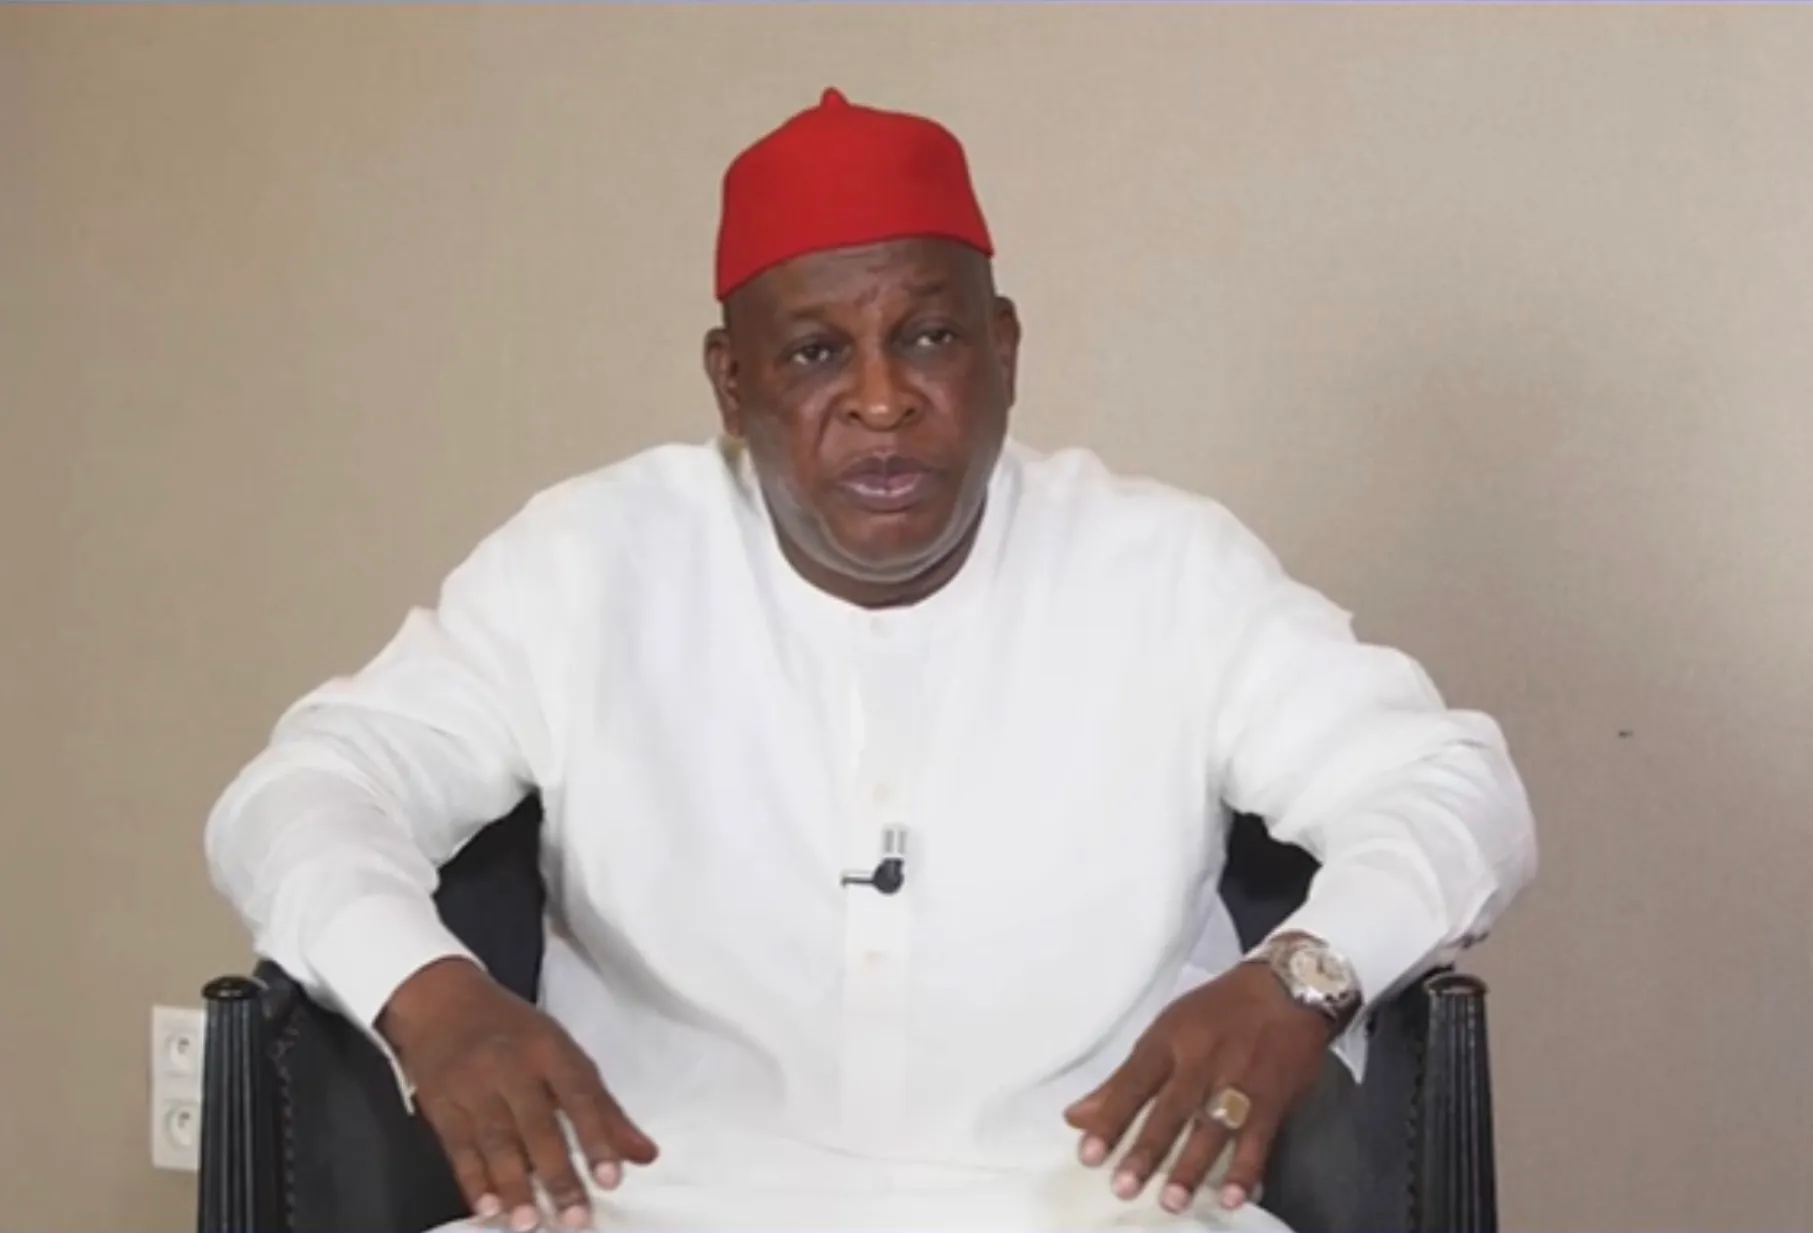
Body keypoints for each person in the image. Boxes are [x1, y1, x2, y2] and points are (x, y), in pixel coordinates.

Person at [205, 87, 1537, 1233]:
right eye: (815, 353)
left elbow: (1451, 789)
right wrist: (431, 995)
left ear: (1004, 351)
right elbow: (303, 794)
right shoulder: (588, 564)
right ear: (733, 385)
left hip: (1098, 1204)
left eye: (931, 337)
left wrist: (1300, 978)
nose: (884, 399)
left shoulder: (1168, 567)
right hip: (645, 1199)